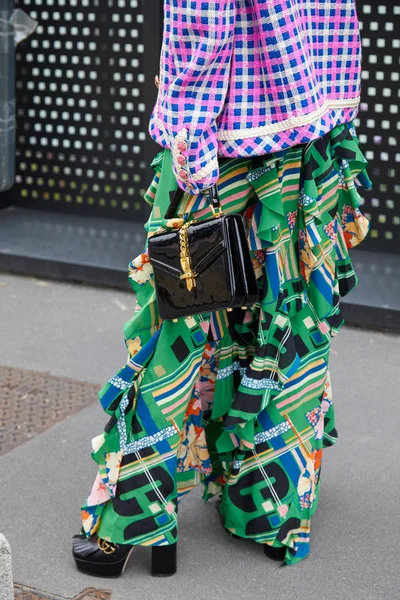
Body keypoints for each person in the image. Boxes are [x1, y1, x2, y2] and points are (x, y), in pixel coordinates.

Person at [72, 0, 371, 577]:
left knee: (177, 323)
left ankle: (134, 518)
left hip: (229, 140)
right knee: (287, 319)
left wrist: (188, 147)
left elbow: (203, 22)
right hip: (313, 130)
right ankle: (271, 505)